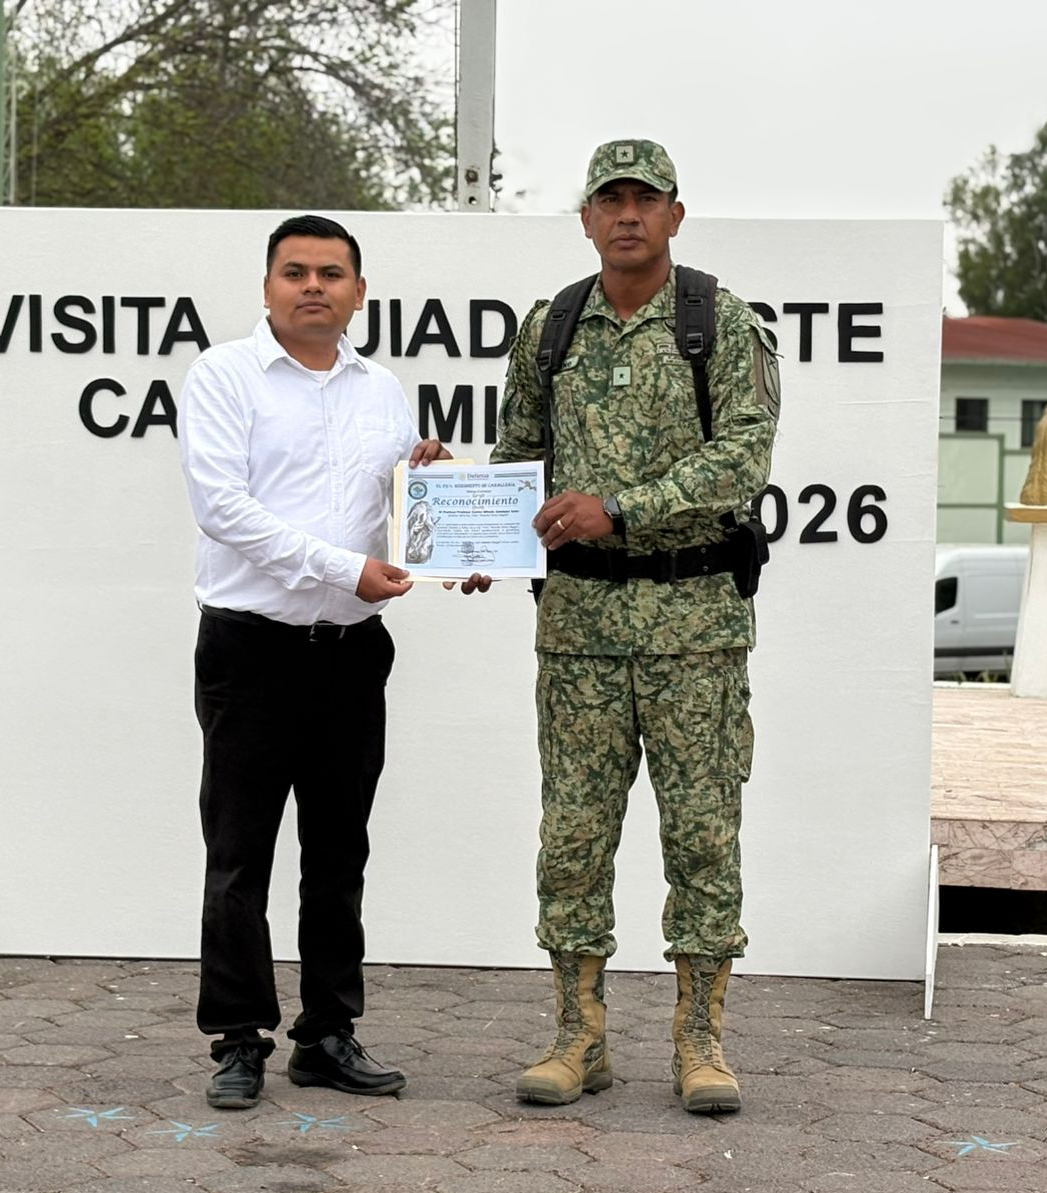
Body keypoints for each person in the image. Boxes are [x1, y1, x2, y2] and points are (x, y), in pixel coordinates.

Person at [465, 139, 780, 1114]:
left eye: (646, 199)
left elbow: (741, 463)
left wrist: (622, 507)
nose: (628, 215)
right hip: (580, 629)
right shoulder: (549, 330)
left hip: (693, 627)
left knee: (701, 836)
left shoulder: (718, 323)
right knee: (573, 836)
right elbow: (518, 459)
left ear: (675, 216)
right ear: (587, 217)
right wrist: (468, 531)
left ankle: (699, 1040)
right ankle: (578, 1035)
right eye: (611, 199)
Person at [177, 214, 449, 1109]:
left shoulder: (384, 390)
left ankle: (327, 1034)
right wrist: (346, 568)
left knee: (339, 855)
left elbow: (393, 512)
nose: (313, 287)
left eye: (332, 273)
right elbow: (224, 508)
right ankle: (238, 1039)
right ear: (267, 287)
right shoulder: (223, 376)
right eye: (294, 271)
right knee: (239, 854)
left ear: (359, 292)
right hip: (250, 650)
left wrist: (435, 496)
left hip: (352, 655)